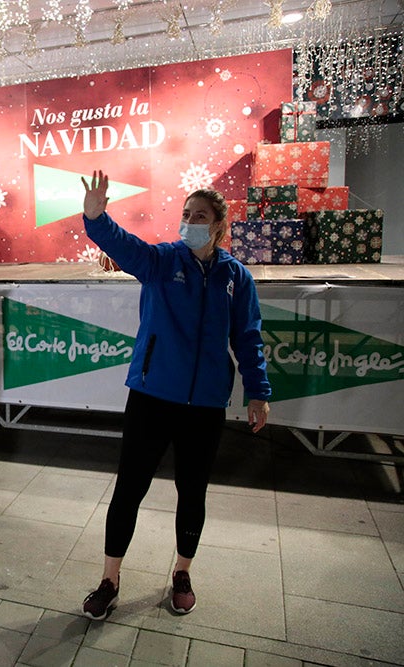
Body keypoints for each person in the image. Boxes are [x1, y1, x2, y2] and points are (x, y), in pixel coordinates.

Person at [78, 171, 271, 620]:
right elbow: (124, 247)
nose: (189, 222)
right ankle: (109, 579)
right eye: (185, 214)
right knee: (129, 489)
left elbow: (248, 338)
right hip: (151, 395)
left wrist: (258, 392)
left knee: (193, 492)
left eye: (199, 216)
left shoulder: (236, 278)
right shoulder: (164, 261)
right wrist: (95, 215)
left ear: (220, 225)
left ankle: (182, 573)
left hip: (204, 405)